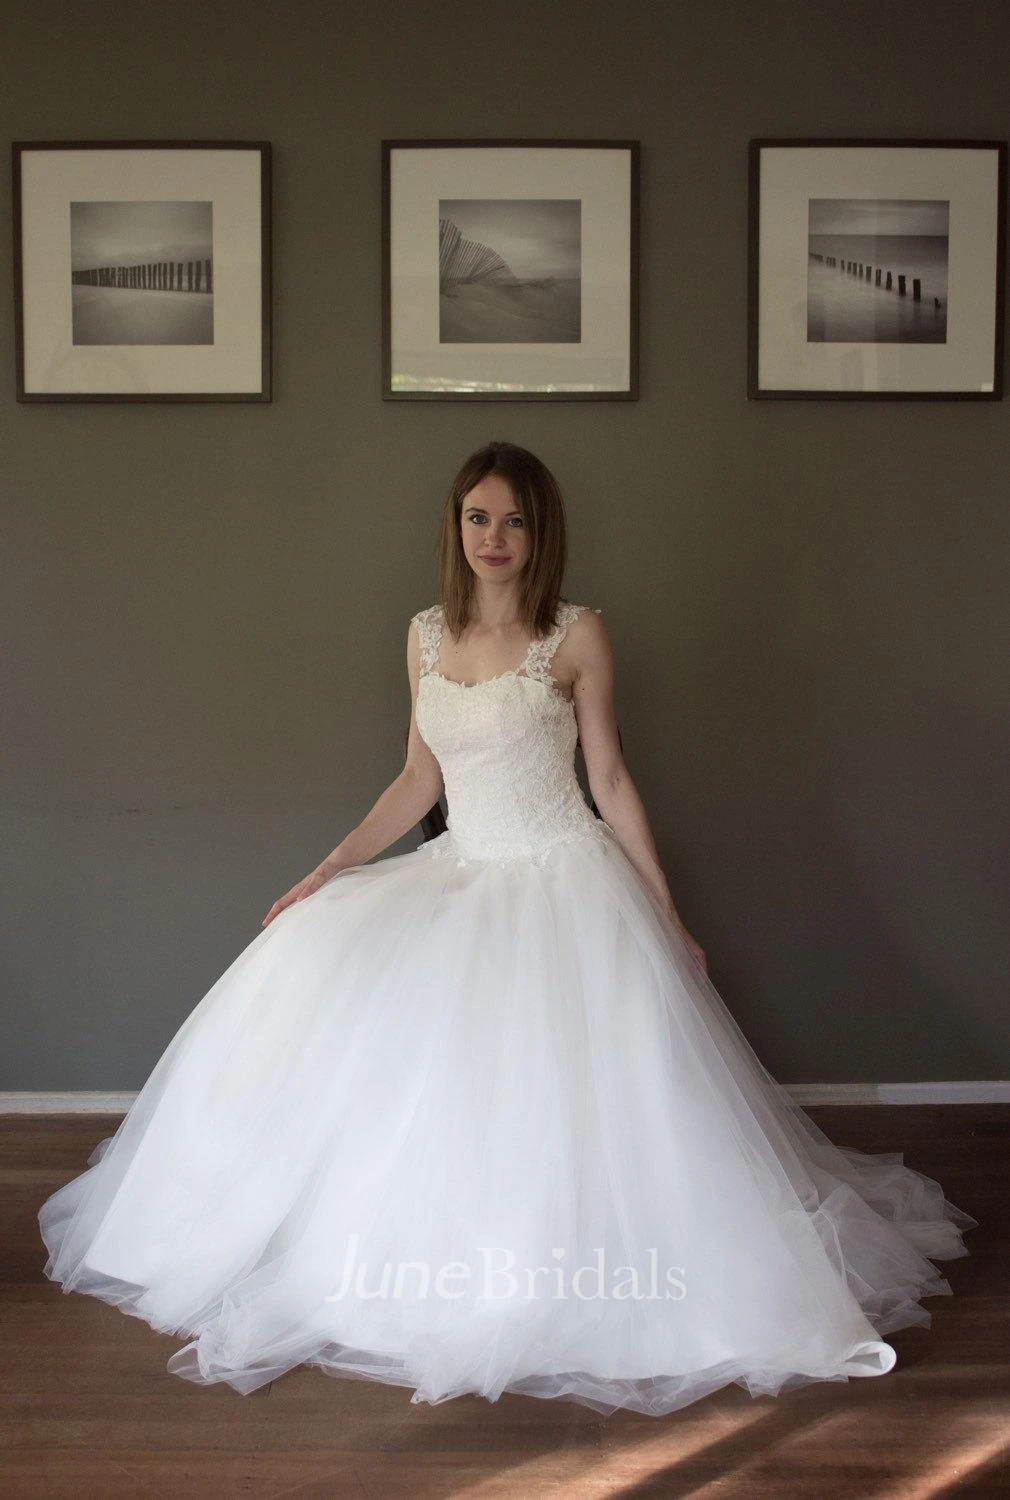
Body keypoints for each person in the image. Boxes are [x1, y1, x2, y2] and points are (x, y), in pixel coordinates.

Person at [39, 441, 976, 1417]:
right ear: (455, 527)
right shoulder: (420, 636)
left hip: (563, 880)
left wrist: (665, 912)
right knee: (373, 1040)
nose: (493, 537)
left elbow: (608, 780)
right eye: (477, 517)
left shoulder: (575, 636)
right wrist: (326, 870)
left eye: (514, 520)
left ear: (540, 533)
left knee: (583, 1102)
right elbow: (416, 780)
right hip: (456, 876)